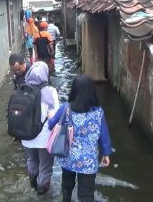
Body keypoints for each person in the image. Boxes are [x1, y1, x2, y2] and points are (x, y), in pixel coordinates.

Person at [48, 74, 112, 202]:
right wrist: (106, 154)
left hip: (68, 157)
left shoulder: (66, 108)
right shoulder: (98, 112)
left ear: (74, 90)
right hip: (88, 161)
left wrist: (50, 115)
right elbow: (104, 135)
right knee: (86, 195)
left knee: (67, 186)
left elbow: (51, 125)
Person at [22, 61, 59, 196]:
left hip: (26, 138)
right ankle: (42, 193)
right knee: (45, 166)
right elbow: (55, 117)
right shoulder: (50, 92)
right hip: (44, 140)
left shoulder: (22, 90)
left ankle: (33, 185)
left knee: (31, 160)